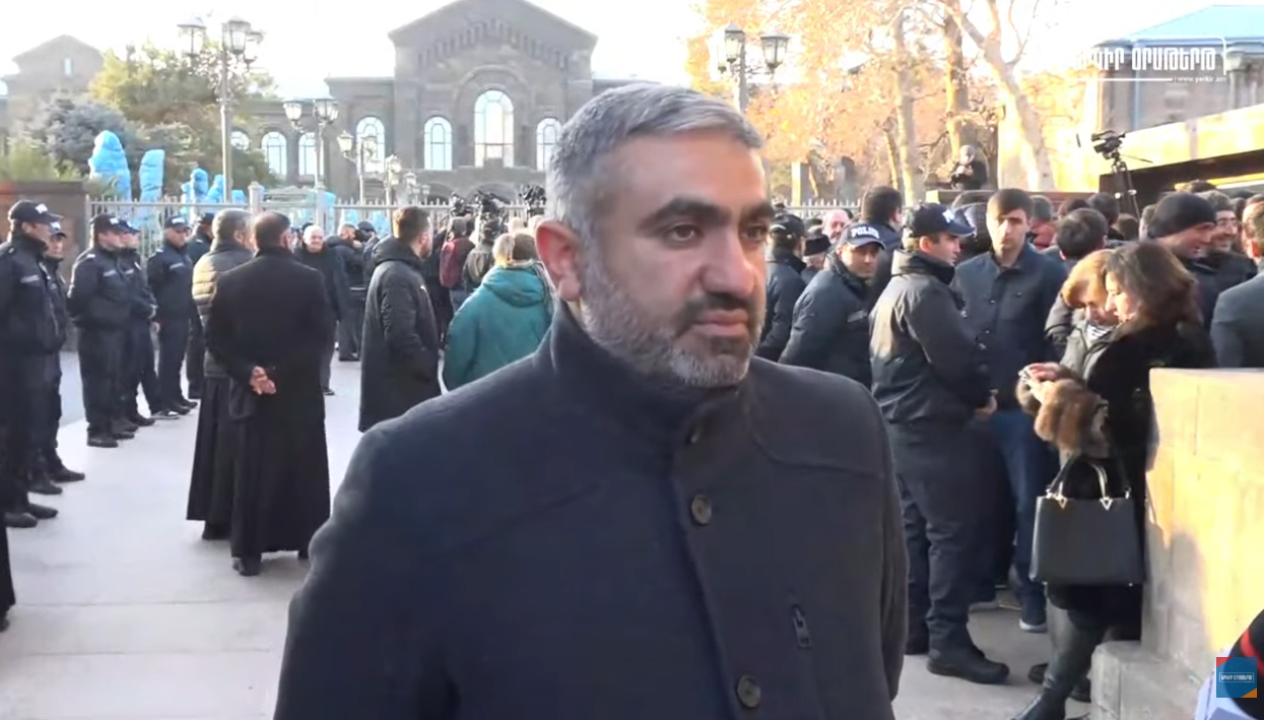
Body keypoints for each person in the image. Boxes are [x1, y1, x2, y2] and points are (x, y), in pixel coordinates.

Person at [274, 84, 906, 720]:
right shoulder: (417, 482)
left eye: (753, 231)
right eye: (683, 231)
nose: (738, 274)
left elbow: (868, 676)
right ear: (566, 260)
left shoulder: (842, 433)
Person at [1014, 242, 1215, 720]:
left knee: (1091, 597)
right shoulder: (1173, 334)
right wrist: (1061, 380)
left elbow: (1110, 431)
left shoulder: (1143, 345)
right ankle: (1061, 698)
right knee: (1103, 603)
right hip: (1135, 491)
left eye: (1117, 291)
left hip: (1118, 492)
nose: (1112, 302)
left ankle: (1052, 701)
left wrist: (1055, 396)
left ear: (1142, 289)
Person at [870, 202, 1007, 684]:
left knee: (917, 528)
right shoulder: (924, 291)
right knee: (951, 532)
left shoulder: (899, 286)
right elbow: (956, 359)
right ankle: (948, 640)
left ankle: (914, 628)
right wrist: (981, 397)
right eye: (950, 239)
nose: (958, 247)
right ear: (927, 243)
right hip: (931, 425)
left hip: (906, 424)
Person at [954, 188, 1066, 634]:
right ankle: (981, 583)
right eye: (999, 220)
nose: (1006, 230)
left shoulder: (1049, 273)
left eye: (1015, 221)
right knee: (978, 501)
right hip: (974, 407)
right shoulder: (966, 273)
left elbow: (1056, 339)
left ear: (1029, 224)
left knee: (1027, 504)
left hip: (1023, 410)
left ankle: (1032, 599)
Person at [205, 212, 334, 577]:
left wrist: (250, 373)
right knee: (304, 471)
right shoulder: (309, 280)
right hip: (298, 391)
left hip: (252, 393)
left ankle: (249, 552)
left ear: (253, 240)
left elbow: (215, 338)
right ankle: (309, 541)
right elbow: (322, 336)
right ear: (286, 238)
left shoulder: (230, 281)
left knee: (252, 471)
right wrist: (278, 372)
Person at [186, 209, 254, 542]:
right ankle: (235, 515)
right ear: (240, 235)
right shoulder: (241, 265)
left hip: (214, 365)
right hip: (239, 367)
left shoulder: (204, 262)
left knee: (214, 447)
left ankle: (214, 517)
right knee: (237, 447)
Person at [0, 200, 64, 529]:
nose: (50, 229)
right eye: (44, 223)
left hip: (37, 361)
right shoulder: (8, 261)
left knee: (29, 433)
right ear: (26, 226)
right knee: (11, 435)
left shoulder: (35, 261)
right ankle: (7, 504)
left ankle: (21, 497)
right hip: (13, 363)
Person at [358, 206, 441, 431]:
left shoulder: (400, 269)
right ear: (423, 237)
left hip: (400, 393)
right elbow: (399, 334)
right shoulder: (397, 275)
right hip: (400, 395)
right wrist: (426, 364)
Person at [443, 232, 552, 391]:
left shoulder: (475, 305)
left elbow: (455, 362)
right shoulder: (552, 302)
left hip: (485, 396)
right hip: (535, 394)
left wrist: (465, 392)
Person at [780, 221, 885, 386]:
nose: (868, 259)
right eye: (860, 251)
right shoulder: (827, 292)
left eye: (874, 252)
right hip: (827, 393)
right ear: (841, 251)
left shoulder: (854, 286)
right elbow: (798, 355)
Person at [67, 214, 133, 448]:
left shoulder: (112, 261)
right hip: (96, 333)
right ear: (102, 235)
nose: (121, 237)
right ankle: (97, 430)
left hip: (115, 331)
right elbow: (77, 300)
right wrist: (92, 320)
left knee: (113, 380)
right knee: (98, 383)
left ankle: (111, 423)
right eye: (115, 233)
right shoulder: (90, 262)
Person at [30, 224, 85, 489]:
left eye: (59, 240)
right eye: (51, 239)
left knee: (51, 410)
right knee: (35, 415)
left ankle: (51, 462)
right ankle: (34, 471)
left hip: (51, 353)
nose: (56, 245)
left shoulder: (52, 273)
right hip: (32, 356)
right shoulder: (31, 269)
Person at [147, 216, 198, 417]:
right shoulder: (160, 258)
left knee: (177, 359)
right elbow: (151, 288)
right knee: (168, 359)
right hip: (167, 316)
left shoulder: (183, 256)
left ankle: (176, 396)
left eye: (185, 231)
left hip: (183, 314)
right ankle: (166, 399)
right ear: (166, 232)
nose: (182, 235)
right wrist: (156, 316)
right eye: (177, 231)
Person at [295, 225, 350, 396]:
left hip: (327, 310)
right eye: (313, 237)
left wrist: (342, 309)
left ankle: (322, 384)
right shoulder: (295, 256)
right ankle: (304, 383)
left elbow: (341, 282)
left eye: (320, 237)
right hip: (301, 311)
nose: (317, 241)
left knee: (326, 349)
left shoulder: (332, 255)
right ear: (304, 239)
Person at [118, 223, 162, 428]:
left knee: (142, 367)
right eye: (131, 234)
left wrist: (153, 309)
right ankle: (125, 411)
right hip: (129, 321)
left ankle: (132, 410)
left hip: (142, 320)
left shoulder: (134, 260)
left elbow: (144, 288)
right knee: (128, 370)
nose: (136, 237)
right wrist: (146, 308)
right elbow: (127, 294)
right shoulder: (119, 261)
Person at [755, 213, 806, 360]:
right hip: (767, 363)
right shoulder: (791, 280)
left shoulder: (756, 270)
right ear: (801, 242)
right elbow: (781, 334)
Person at [185, 212, 214, 399]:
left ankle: (196, 384)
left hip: (197, 297)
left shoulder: (201, 244)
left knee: (198, 341)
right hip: (198, 298)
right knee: (197, 343)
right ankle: (196, 385)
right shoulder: (198, 247)